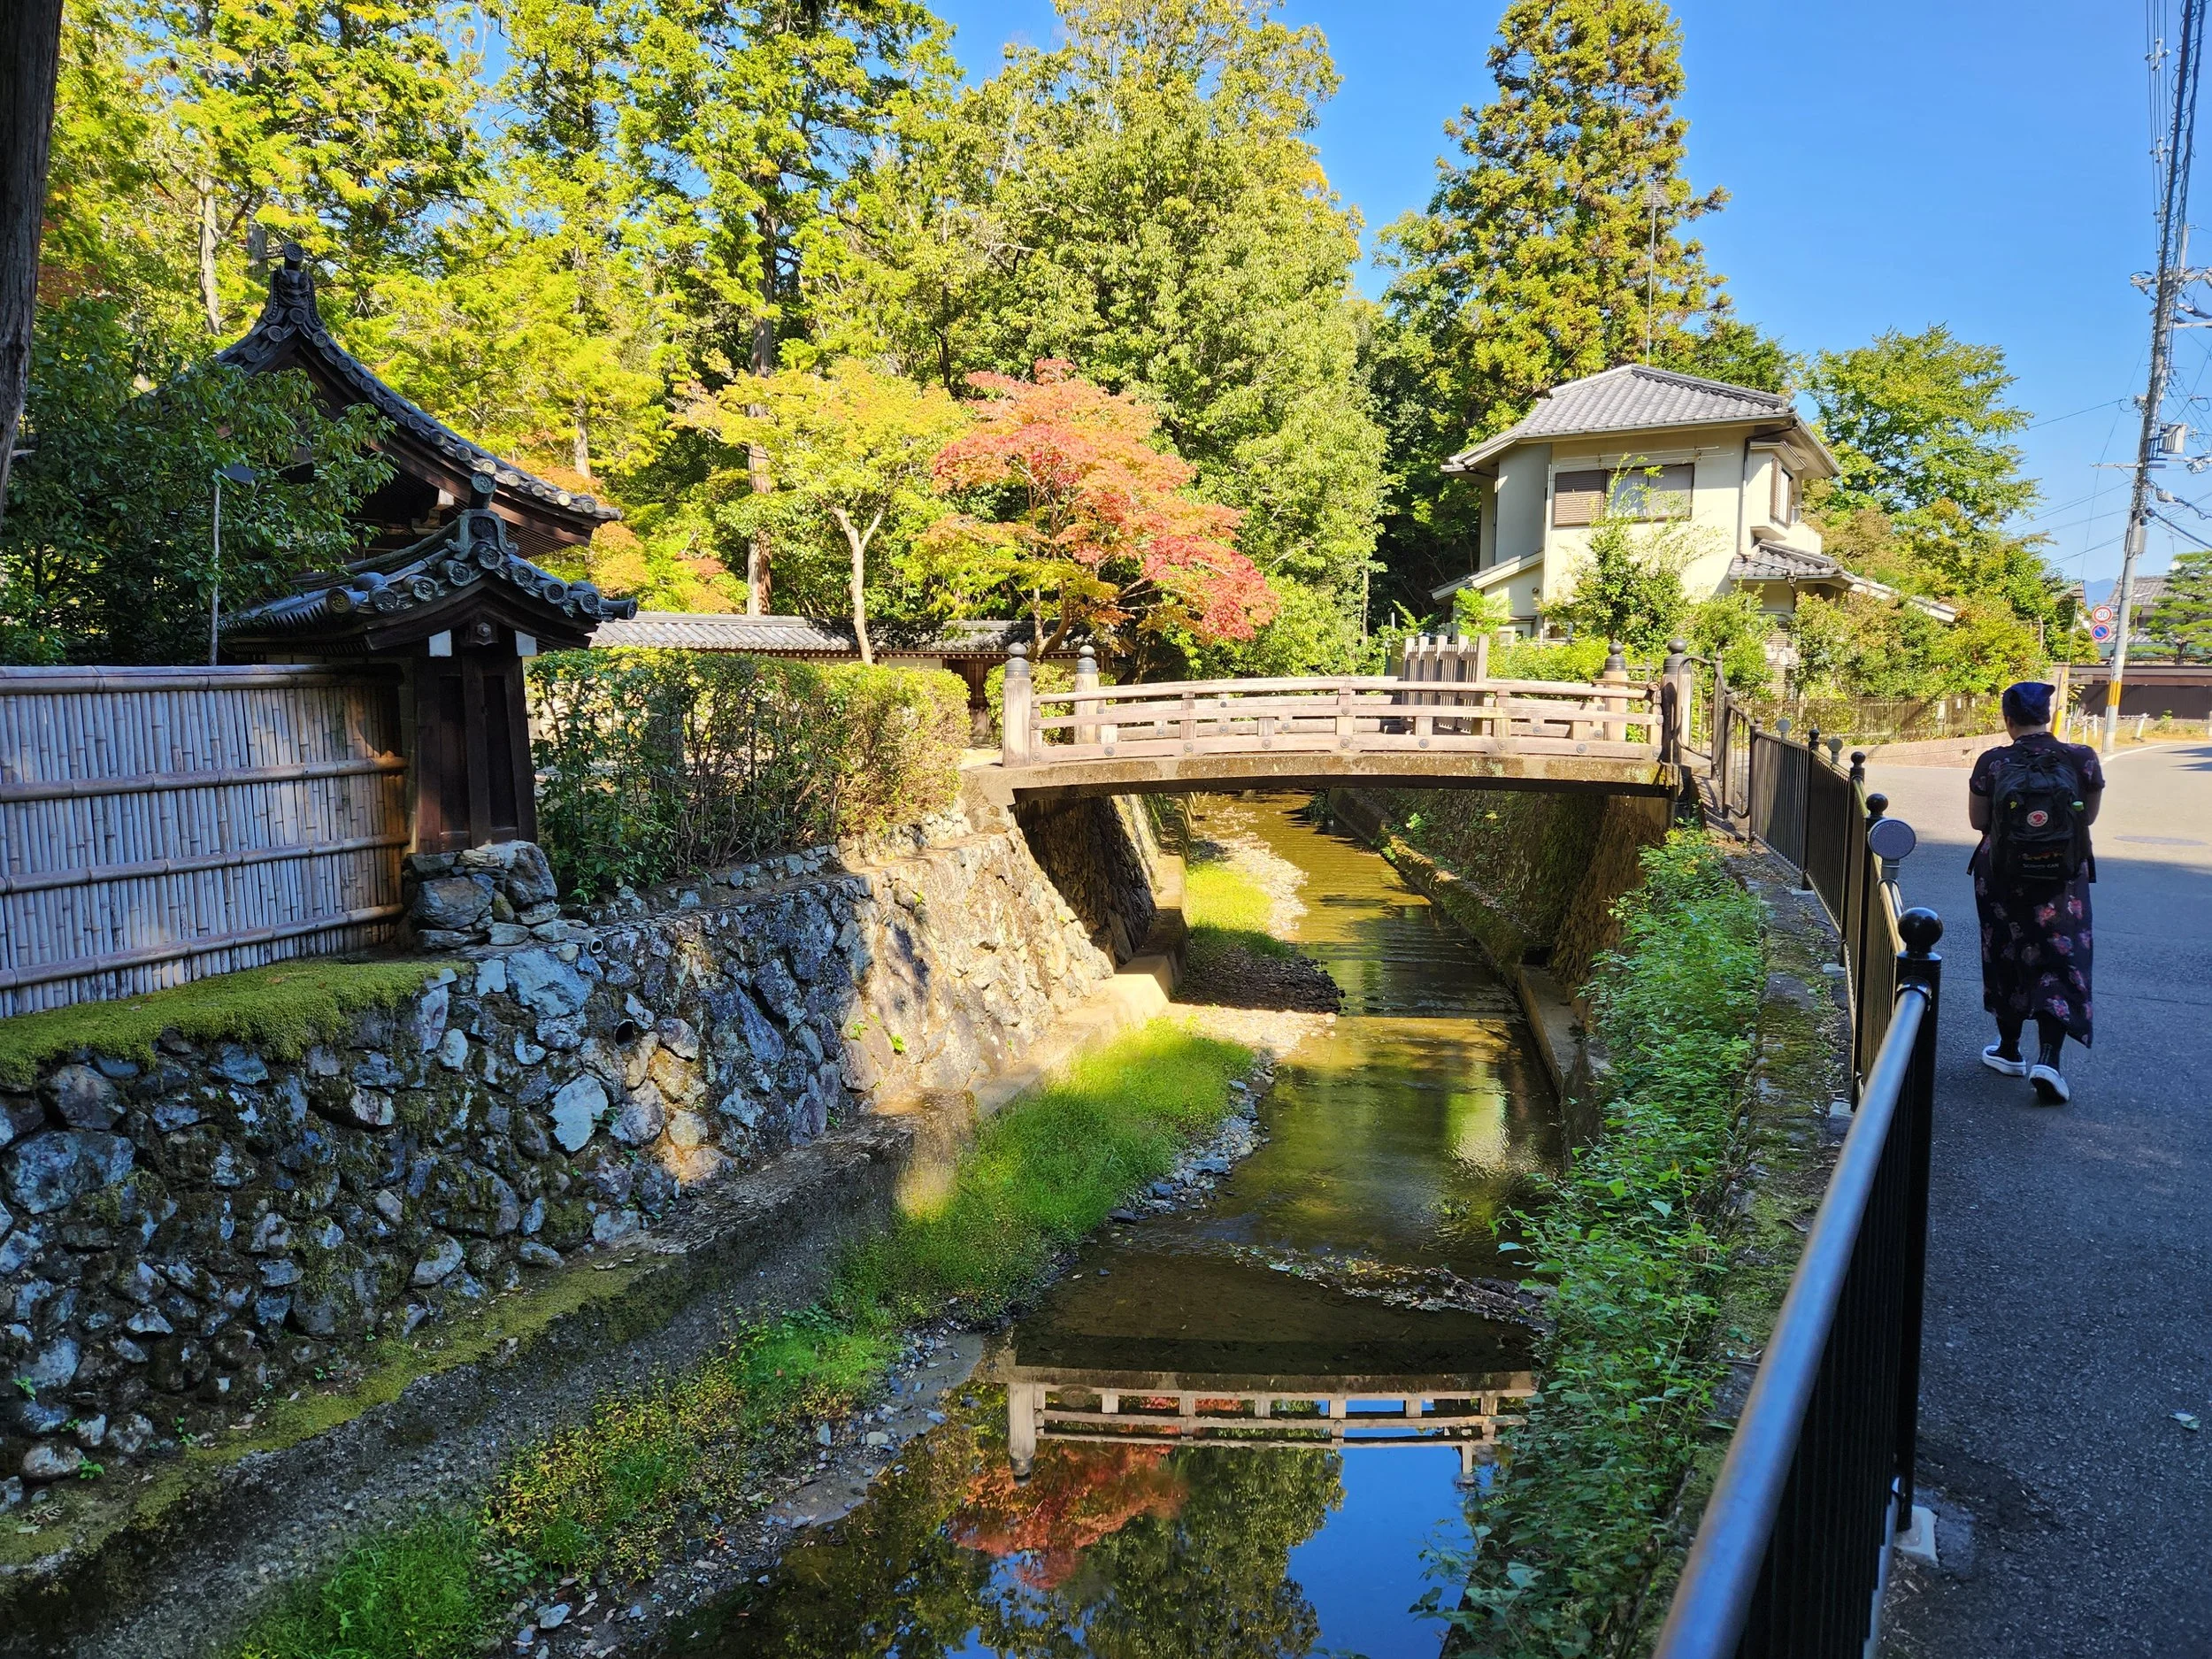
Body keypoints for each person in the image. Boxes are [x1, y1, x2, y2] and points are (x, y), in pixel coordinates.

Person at [1967, 681, 2104, 1103]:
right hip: (2062, 877)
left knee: (2005, 951)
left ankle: (2008, 1050)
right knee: (2060, 957)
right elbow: (2089, 818)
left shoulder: (1993, 761)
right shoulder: (2080, 758)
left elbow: (1978, 822)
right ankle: (2049, 1059)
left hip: (2002, 874)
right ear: (2049, 715)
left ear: (2008, 720)